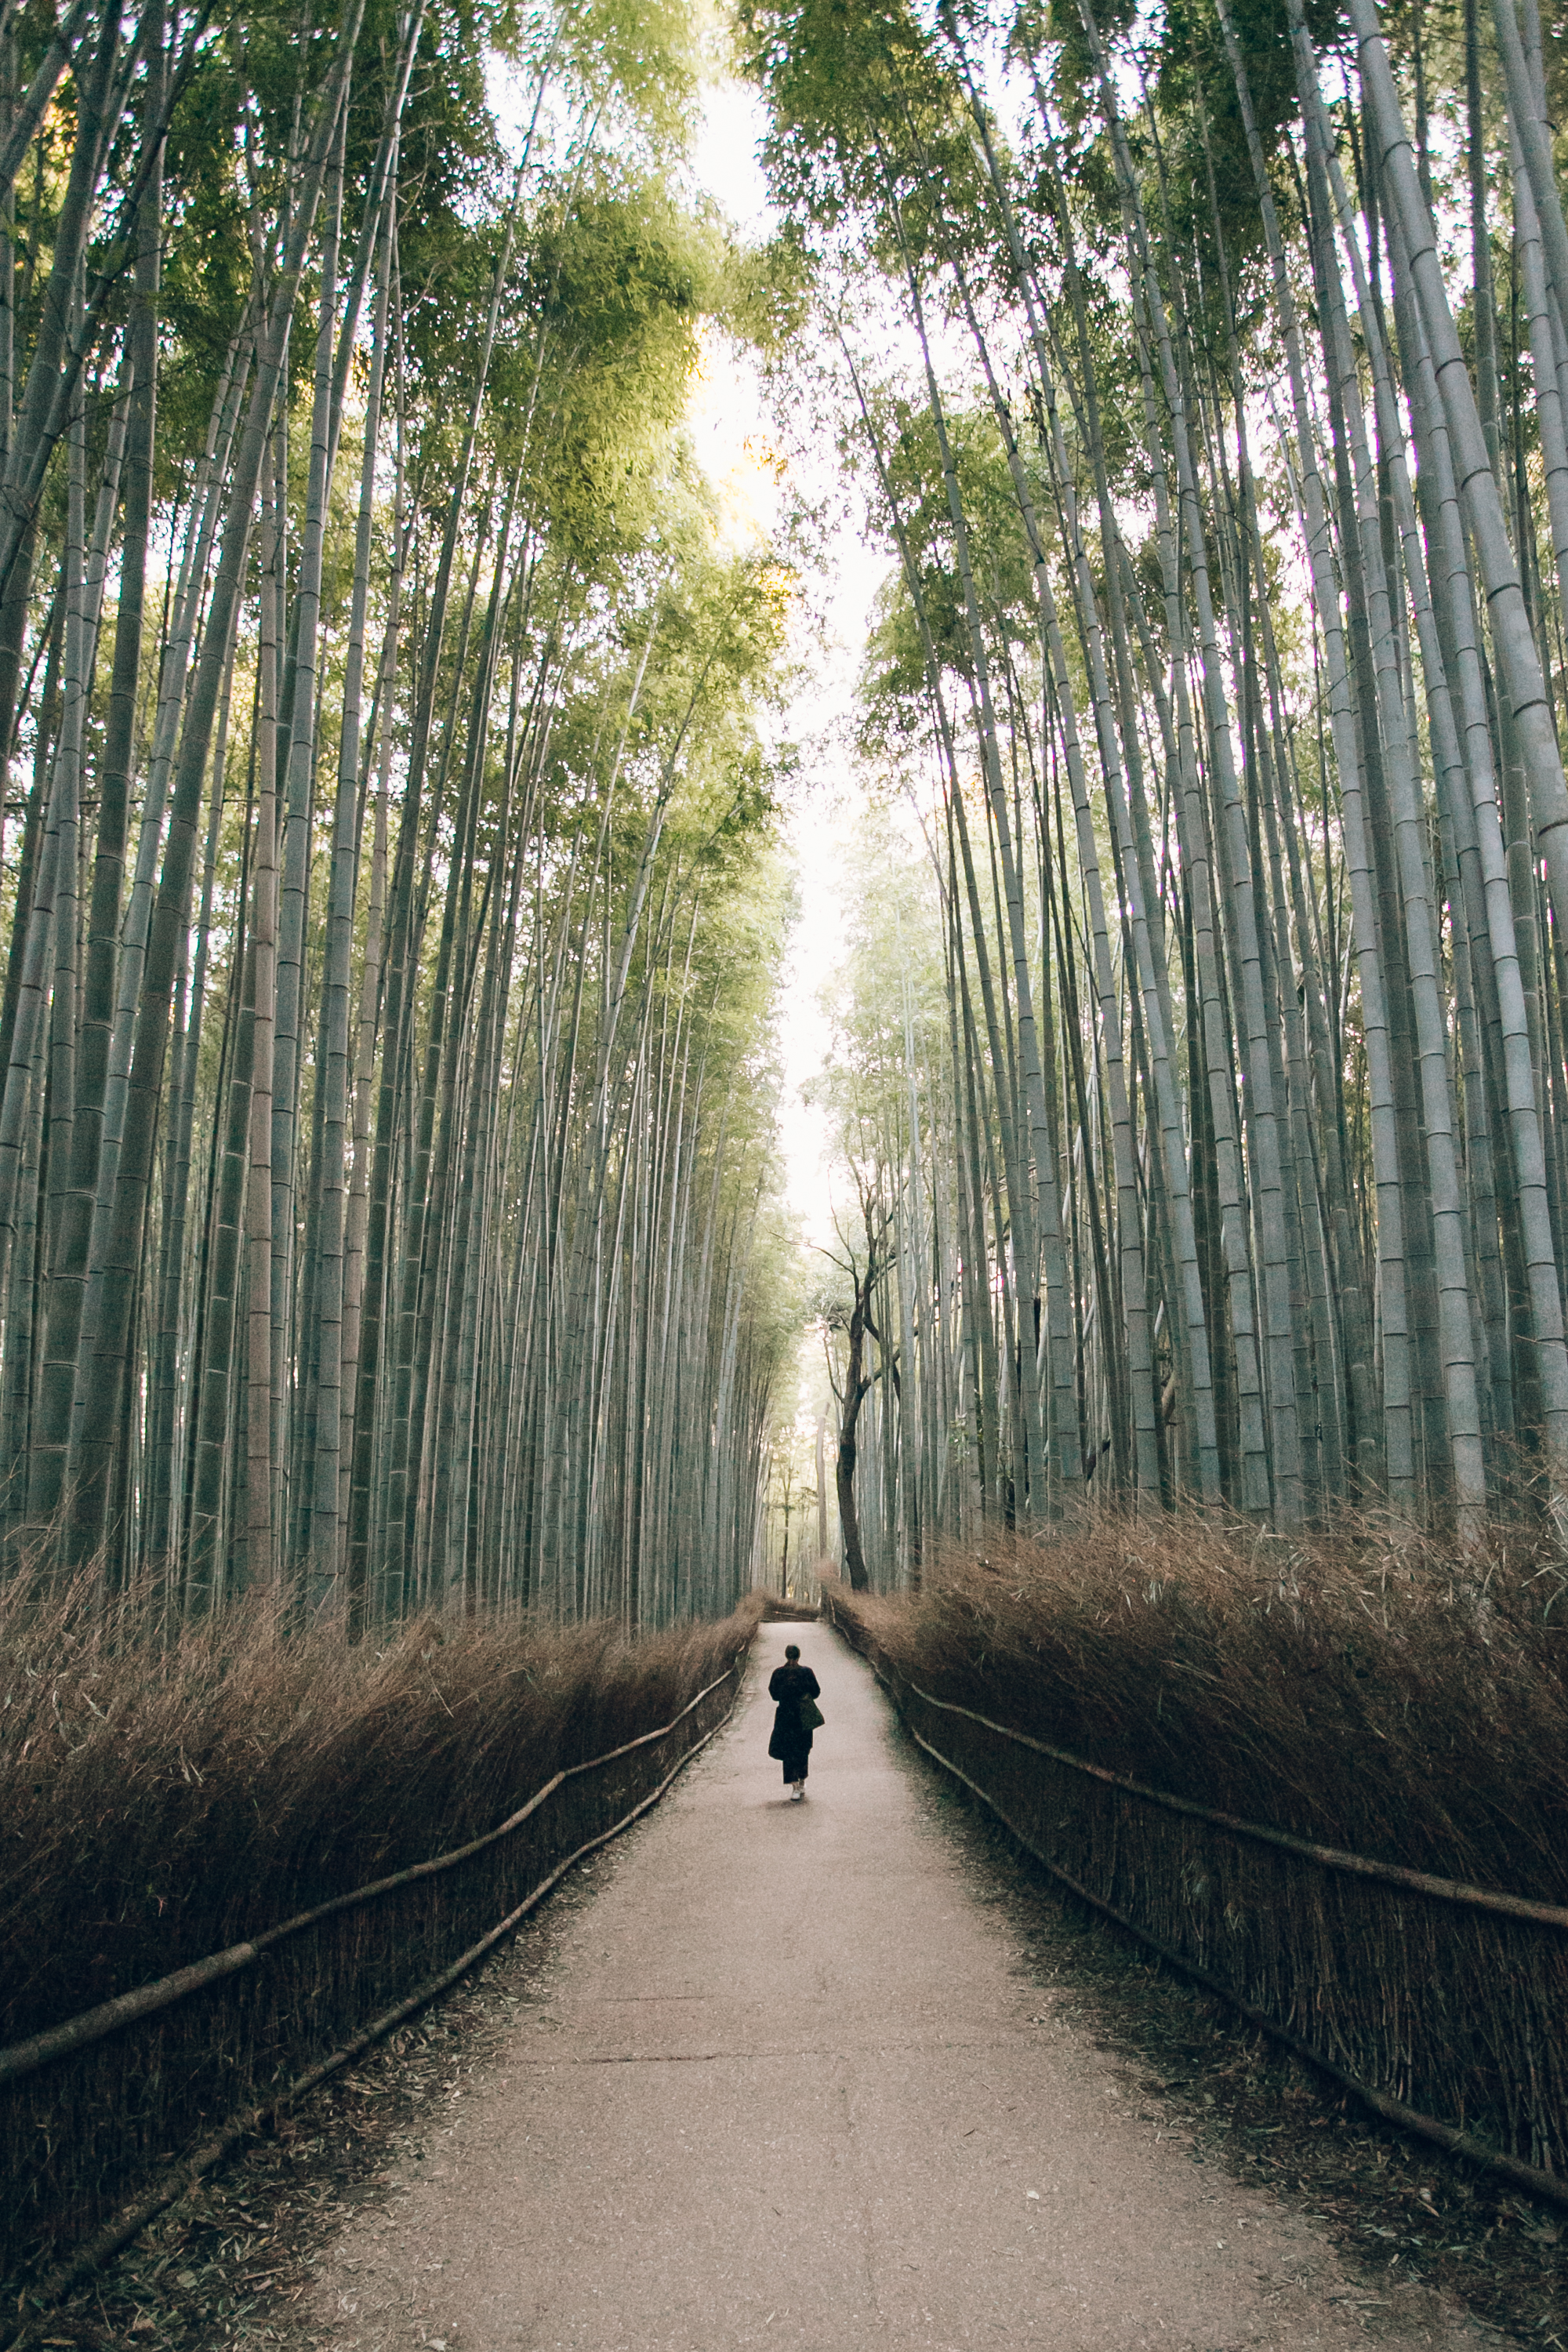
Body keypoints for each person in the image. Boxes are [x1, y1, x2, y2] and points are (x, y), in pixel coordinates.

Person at [768, 1643, 821, 1801]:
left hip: (785, 1715)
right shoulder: (806, 1672)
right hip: (803, 1715)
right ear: (799, 1656)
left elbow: (774, 1695)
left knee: (788, 1750)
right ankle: (803, 1781)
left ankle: (795, 1787)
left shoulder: (778, 1673)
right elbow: (816, 1692)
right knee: (803, 1748)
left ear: (786, 1655)